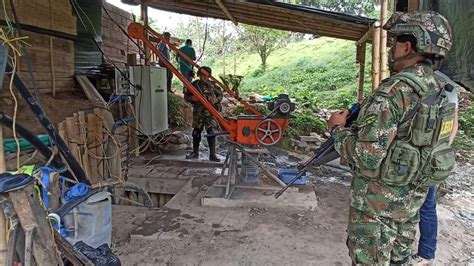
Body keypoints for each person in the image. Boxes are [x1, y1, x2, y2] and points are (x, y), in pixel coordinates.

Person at [328, 11, 455, 265]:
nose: (391, 48)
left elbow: (366, 157)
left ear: (407, 46)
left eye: (394, 42)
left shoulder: (393, 92)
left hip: (377, 210)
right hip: (409, 206)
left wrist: (337, 129)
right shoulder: (440, 90)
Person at [413, 70, 460, 265]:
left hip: (414, 158)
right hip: (436, 157)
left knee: (412, 206)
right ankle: (426, 254)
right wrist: (440, 151)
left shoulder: (417, 79)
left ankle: (400, 251)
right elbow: (453, 124)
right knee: (427, 206)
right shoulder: (447, 84)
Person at [184, 66, 222, 162]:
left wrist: (216, 100)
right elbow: (186, 96)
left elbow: (220, 95)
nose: (205, 78)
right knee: (196, 133)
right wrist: (193, 98)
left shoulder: (213, 85)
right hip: (199, 112)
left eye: (207, 75)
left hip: (210, 112)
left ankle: (212, 155)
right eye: (202, 75)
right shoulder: (194, 85)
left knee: (211, 132)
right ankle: (195, 152)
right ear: (199, 75)